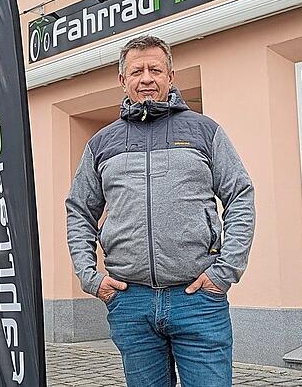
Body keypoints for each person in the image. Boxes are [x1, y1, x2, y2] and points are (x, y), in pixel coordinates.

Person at [66, 35, 255, 386]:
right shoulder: (102, 143)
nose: (147, 78)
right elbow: (79, 210)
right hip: (130, 302)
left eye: (155, 69)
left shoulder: (204, 131)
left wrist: (223, 273)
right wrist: (92, 278)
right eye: (137, 71)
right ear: (123, 80)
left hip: (197, 299)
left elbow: (240, 195)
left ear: (171, 76)